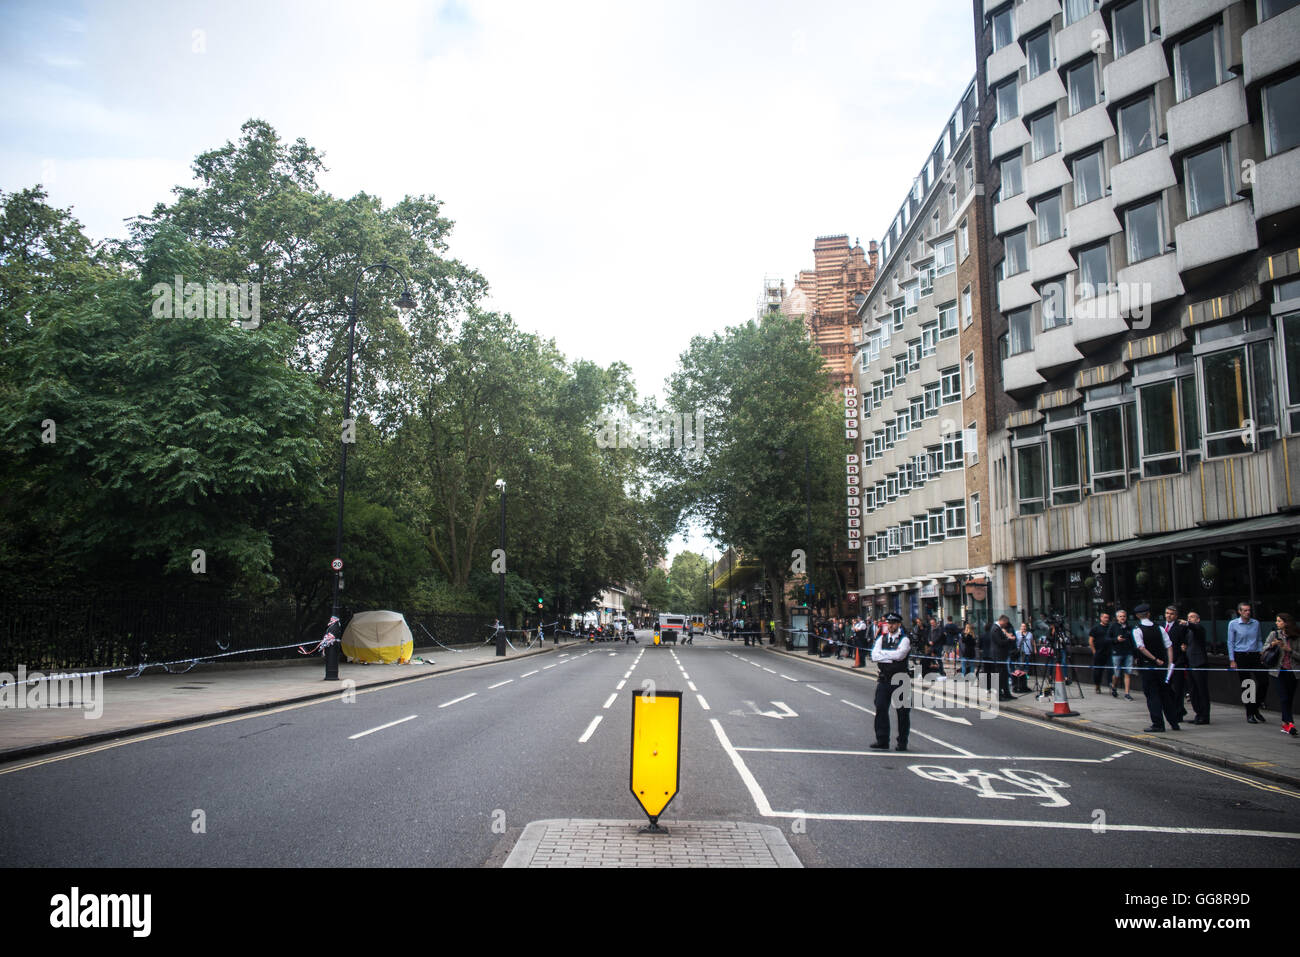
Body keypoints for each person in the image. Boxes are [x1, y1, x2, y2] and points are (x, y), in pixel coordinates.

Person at [1132, 602, 1180, 732]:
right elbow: (1169, 646)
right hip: (1163, 668)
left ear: (1137, 616)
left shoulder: (1137, 630)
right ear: (1148, 614)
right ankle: (1174, 723)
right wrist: (1169, 663)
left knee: (1153, 696)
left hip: (1148, 668)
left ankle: (1158, 724)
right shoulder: (1159, 628)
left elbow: (1141, 647)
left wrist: (1154, 659)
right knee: (1166, 695)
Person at [870, 612, 911, 752]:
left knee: (903, 712)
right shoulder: (882, 638)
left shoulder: (904, 639)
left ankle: (902, 742)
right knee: (880, 708)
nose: (890, 625)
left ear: (899, 624)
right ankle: (882, 740)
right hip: (884, 679)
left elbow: (900, 656)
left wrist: (884, 655)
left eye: (893, 623)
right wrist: (890, 656)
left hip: (900, 679)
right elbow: (874, 656)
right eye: (889, 623)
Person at [1228, 602, 1267, 724]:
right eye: (1244, 610)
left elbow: (1259, 639)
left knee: (1264, 681)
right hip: (1241, 655)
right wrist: (1232, 660)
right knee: (1247, 684)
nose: (1247, 612)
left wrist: (1261, 652)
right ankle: (1250, 713)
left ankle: (1255, 707)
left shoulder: (1255, 623)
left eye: (1249, 610)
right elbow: (1230, 642)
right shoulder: (1233, 624)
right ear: (1239, 612)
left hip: (1255, 654)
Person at [1265, 613, 1299, 736]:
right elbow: (1262, 651)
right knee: (1284, 697)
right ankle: (1290, 723)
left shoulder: (1296, 637)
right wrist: (1272, 645)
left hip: (1293, 672)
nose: (1276, 623)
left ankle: (1285, 723)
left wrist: (1289, 650)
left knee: (1289, 698)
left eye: (1279, 621)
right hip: (1277, 672)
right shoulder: (1274, 634)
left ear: (1286, 623)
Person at [1161, 605, 1189, 725]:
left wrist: (1184, 648)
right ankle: (1180, 709)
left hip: (1177, 662)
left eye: (1171, 614)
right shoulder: (1161, 626)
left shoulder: (1181, 627)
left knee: (1178, 689)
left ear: (1176, 616)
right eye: (1167, 613)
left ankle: (1178, 714)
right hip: (1164, 662)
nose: (1169, 615)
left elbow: (1185, 642)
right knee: (1166, 688)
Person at [1184, 610, 1210, 724]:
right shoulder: (1188, 631)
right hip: (1190, 663)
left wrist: (1187, 624)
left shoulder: (1199, 628)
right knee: (1193, 691)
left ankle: (1205, 716)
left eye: (1192, 617)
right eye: (1188, 617)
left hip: (1199, 663)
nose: (1189, 618)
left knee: (1201, 690)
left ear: (1198, 619)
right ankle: (1198, 713)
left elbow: (1196, 628)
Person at [987, 615, 1016, 700]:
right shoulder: (995, 629)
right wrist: (1009, 639)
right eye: (1006, 623)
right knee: (999, 676)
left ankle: (1006, 693)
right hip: (998, 656)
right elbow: (1000, 642)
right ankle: (999, 695)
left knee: (1004, 675)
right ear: (1002, 621)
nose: (1006, 625)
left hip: (1001, 657)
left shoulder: (998, 628)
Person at [1110, 608, 1135, 700]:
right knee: (1116, 674)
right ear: (1117, 618)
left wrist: (1135, 654)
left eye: (1124, 616)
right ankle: (1114, 686)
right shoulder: (1113, 626)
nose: (1122, 618)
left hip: (1128, 652)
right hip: (1117, 652)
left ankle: (1127, 693)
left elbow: (1133, 641)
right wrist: (1116, 639)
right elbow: (1107, 639)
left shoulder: (1130, 627)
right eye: (1120, 616)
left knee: (1128, 673)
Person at [1088, 612, 1114, 695]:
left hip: (1110, 652)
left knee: (1111, 670)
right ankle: (1097, 686)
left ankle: (1112, 686)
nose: (1107, 619)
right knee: (1098, 671)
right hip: (1099, 652)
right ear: (1101, 618)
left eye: (1108, 617)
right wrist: (1094, 651)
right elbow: (1090, 641)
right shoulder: (1095, 628)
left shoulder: (1110, 627)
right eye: (1105, 617)